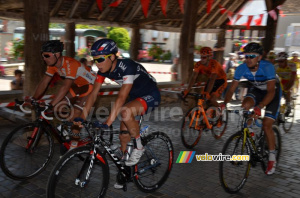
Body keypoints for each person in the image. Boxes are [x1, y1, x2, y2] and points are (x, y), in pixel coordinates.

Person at [76, 39, 160, 171]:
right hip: (136, 97)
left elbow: (121, 97)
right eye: (94, 59)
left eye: (100, 59)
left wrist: (107, 123)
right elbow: (93, 94)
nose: (97, 64)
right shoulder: (103, 70)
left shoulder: (127, 66)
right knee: (123, 136)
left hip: (151, 94)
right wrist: (82, 117)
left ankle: (139, 147)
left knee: (125, 112)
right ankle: (125, 173)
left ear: (113, 57)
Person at [223, 42, 281, 175]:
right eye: (246, 56)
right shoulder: (241, 68)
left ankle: (272, 158)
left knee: (266, 125)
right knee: (245, 106)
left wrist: (260, 107)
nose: (248, 59)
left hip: (273, 93)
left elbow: (271, 91)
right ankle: (247, 134)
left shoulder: (268, 67)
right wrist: (223, 104)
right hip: (257, 90)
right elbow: (231, 89)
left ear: (259, 57)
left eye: (252, 56)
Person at [29, 40, 96, 124]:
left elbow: (65, 87)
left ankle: (74, 130)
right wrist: (34, 98)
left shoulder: (70, 64)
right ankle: (66, 126)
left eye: (46, 55)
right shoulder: (52, 66)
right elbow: (44, 83)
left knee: (74, 117)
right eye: (42, 56)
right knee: (57, 106)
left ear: (57, 54)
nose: (44, 58)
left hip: (90, 86)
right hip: (78, 87)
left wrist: (51, 104)